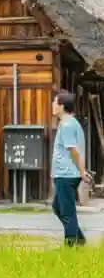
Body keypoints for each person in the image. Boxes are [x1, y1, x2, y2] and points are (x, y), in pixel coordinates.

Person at [51, 91, 89, 247]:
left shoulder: (67, 124)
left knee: (67, 213)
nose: (52, 105)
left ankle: (71, 246)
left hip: (67, 174)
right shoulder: (69, 123)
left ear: (61, 106)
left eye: (55, 102)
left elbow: (74, 150)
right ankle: (79, 239)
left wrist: (82, 172)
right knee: (58, 207)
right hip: (65, 173)